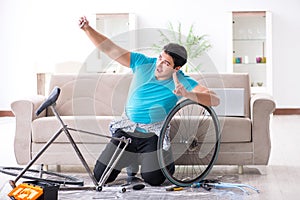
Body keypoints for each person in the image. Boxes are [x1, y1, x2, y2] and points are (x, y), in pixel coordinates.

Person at [78, 16, 220, 186]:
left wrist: (188, 94)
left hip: (153, 135)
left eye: (166, 63)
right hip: (127, 130)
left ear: (177, 68)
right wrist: (87, 29)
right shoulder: (142, 62)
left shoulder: (182, 80)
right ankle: (131, 158)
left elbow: (215, 99)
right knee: (101, 175)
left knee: (154, 179)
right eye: (160, 57)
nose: (159, 64)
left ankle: (162, 159)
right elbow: (110, 49)